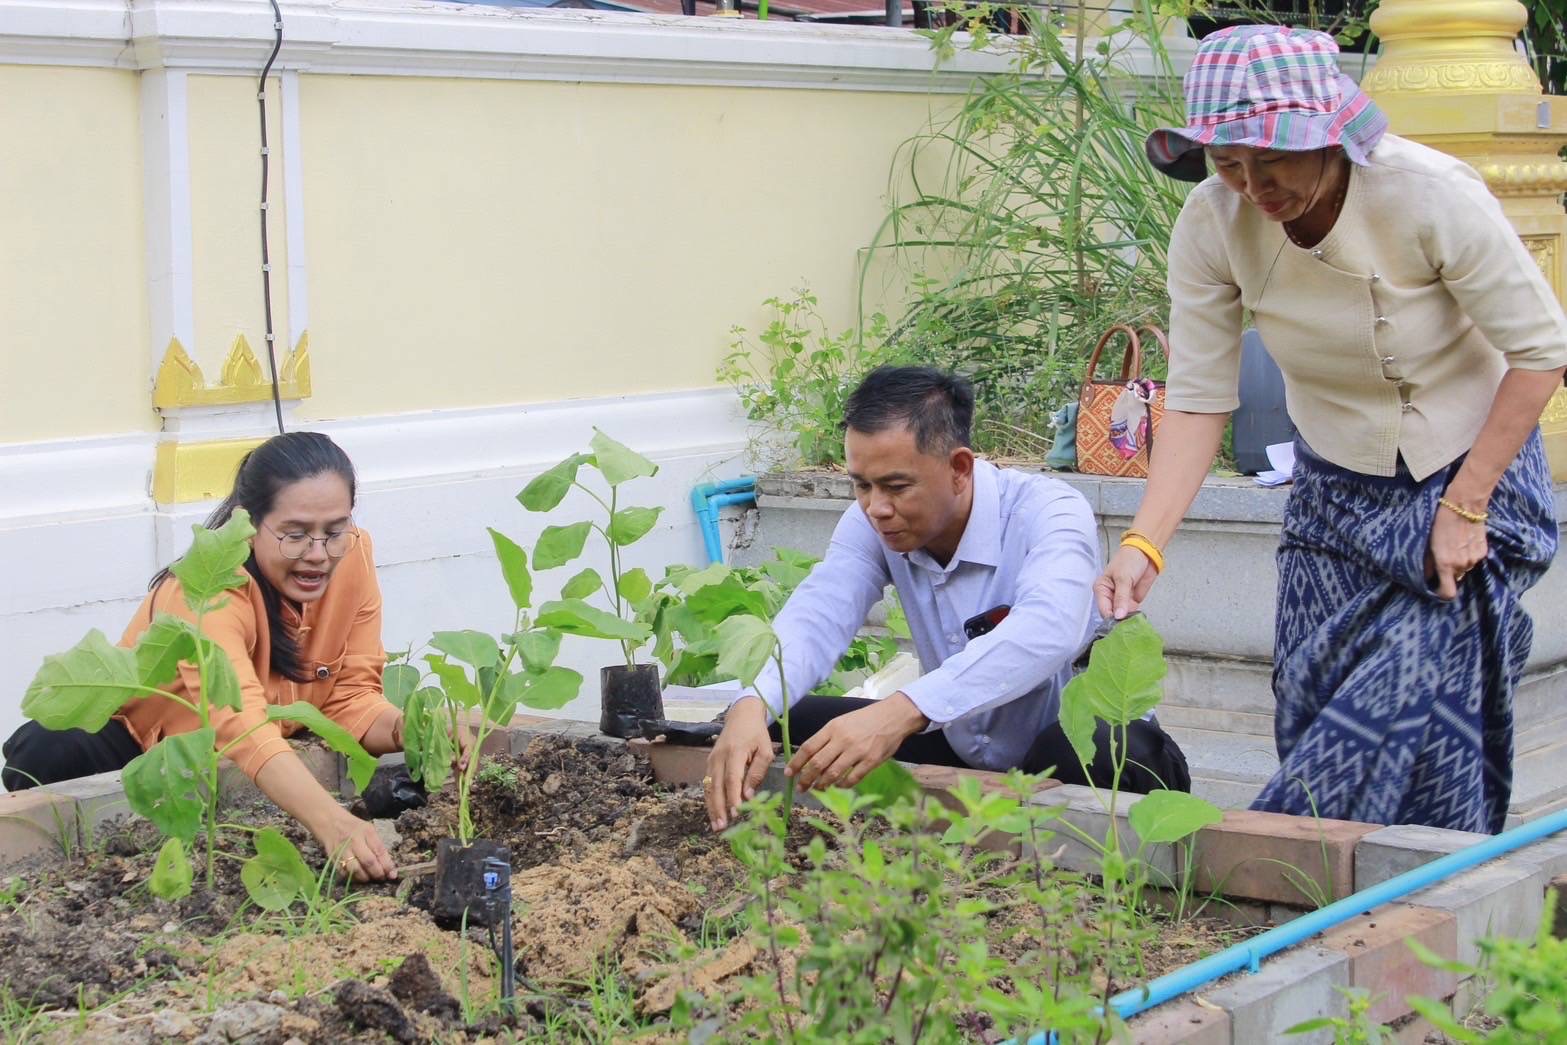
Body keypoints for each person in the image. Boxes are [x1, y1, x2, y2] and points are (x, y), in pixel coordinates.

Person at [1100, 26, 1567, 834]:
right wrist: (1144, 543)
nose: (1251, 183)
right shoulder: (1212, 224)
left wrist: (1464, 508)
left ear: (1329, 135)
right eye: (1226, 161)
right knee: (1314, 697)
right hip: (1336, 490)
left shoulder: (1429, 194)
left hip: (1467, 476)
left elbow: (1540, 351)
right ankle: (1325, 886)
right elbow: (1200, 395)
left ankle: (1303, 873)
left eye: (1270, 157)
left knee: (1408, 691)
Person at [704, 366, 1191, 832]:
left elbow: (1050, 629)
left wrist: (901, 711)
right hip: (964, 749)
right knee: (783, 724)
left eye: (896, 486)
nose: (877, 506)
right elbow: (822, 610)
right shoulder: (871, 520)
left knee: (1102, 746)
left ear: (959, 468)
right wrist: (753, 703)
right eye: (861, 484)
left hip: (1085, 750)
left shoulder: (1048, 512)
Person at [3, 432, 457, 880]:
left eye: (334, 532)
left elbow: (352, 696)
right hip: (150, 743)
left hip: (259, 750)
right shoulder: (206, 592)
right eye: (295, 534)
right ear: (250, 522)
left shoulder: (353, 559)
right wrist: (331, 822)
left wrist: (412, 730)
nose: (318, 554)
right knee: (48, 748)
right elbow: (242, 726)